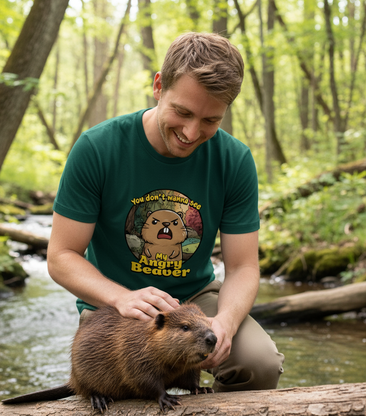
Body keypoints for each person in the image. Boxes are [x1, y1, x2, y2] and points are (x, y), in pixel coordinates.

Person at [47, 31, 284, 392]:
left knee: (260, 365)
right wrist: (120, 297)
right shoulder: (97, 148)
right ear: (159, 86)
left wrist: (226, 322)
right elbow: (61, 256)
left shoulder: (234, 160)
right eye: (183, 112)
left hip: (195, 300)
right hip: (114, 307)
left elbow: (242, 266)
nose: (191, 132)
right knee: (119, 387)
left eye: (210, 121)